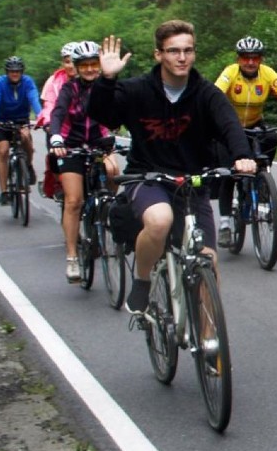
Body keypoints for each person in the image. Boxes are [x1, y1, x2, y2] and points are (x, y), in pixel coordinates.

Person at [88, 20, 256, 315]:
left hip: (192, 182)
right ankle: (141, 281)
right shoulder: (138, 90)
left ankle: (210, 347)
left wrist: (243, 156)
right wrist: (107, 79)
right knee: (159, 221)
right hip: (148, 177)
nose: (182, 57)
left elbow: (230, 126)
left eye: (188, 51)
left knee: (208, 260)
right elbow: (102, 113)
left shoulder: (205, 93)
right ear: (158, 55)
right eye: (174, 51)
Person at [213, 36, 277, 246]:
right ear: (239, 59)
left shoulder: (267, 74)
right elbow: (216, 93)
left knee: (272, 137)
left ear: (260, 59)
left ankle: (262, 177)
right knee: (229, 173)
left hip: (255, 123)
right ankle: (226, 223)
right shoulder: (230, 72)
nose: (250, 62)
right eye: (245, 58)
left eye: (255, 58)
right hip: (230, 127)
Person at [49, 41, 120, 283]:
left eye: (94, 64)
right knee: (73, 200)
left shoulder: (108, 87)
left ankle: (104, 210)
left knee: (113, 170)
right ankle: (72, 257)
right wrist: (56, 137)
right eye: (84, 65)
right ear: (77, 68)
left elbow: (122, 110)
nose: (90, 69)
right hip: (71, 147)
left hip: (99, 143)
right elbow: (57, 113)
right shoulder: (70, 90)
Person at [0, 56, 43, 206]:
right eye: (11, 71)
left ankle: (27, 166)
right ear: (7, 72)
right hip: (2, 121)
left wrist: (41, 117)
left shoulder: (27, 82)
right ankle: (4, 192)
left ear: (21, 72)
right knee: (2, 151)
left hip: (21, 120)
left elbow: (34, 98)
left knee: (26, 138)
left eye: (17, 71)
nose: (15, 74)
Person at [36, 42, 78, 199]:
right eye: (67, 61)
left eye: (75, 61)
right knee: (55, 154)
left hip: (83, 129)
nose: (71, 65)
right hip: (59, 126)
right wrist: (48, 123)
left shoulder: (91, 78)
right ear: (63, 63)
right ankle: (57, 182)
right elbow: (49, 106)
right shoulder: (53, 81)